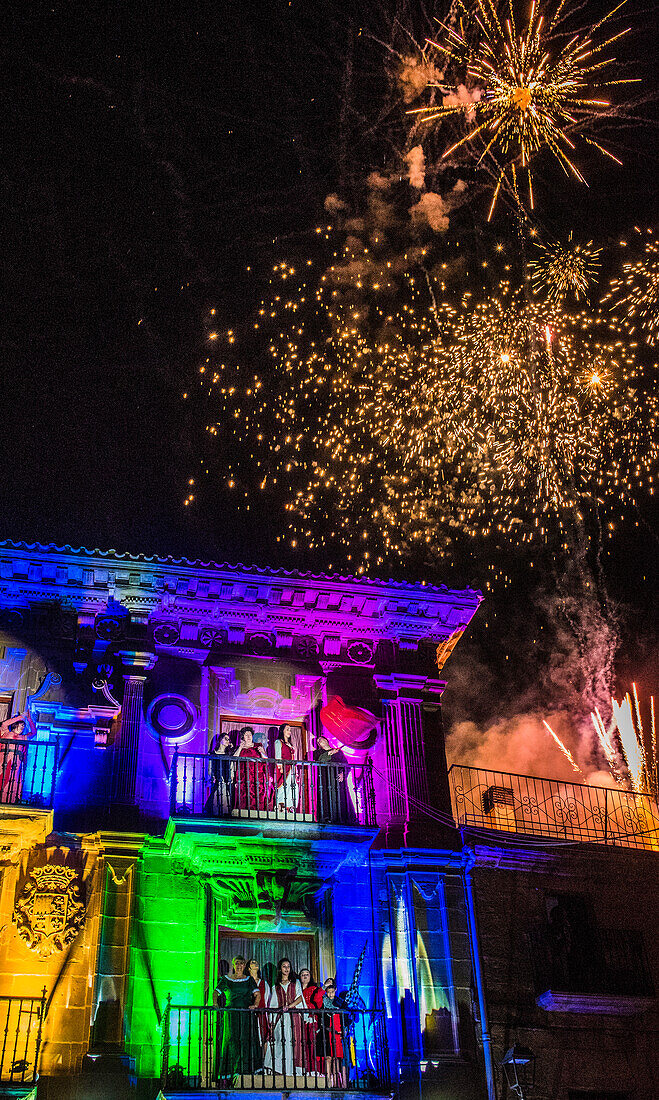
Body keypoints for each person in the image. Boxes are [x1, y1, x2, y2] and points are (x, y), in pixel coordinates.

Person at [214, 955, 261, 1083]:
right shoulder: (226, 979)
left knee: (245, 1040)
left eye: (241, 963)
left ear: (244, 965)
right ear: (233, 965)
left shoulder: (249, 980)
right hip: (231, 1015)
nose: (239, 965)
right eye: (237, 963)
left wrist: (255, 1005)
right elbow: (216, 993)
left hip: (246, 1015)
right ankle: (230, 1072)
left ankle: (244, 1071)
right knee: (231, 1041)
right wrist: (216, 1005)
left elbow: (257, 994)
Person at [263, 958, 304, 1077]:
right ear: (280, 969)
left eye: (288, 966)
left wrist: (289, 1006)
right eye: (284, 966)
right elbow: (273, 1004)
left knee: (292, 1042)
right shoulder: (275, 987)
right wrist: (272, 1020)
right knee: (280, 1041)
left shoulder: (295, 982)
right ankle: (279, 1068)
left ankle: (292, 1070)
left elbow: (300, 998)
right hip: (281, 1018)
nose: (286, 969)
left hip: (293, 1016)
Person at [313, 735, 355, 824]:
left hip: (338, 780)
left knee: (340, 797)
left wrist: (343, 774)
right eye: (318, 741)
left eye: (320, 739)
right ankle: (328, 817)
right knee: (327, 797)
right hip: (326, 779)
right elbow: (320, 760)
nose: (319, 742)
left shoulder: (338, 752)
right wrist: (330, 753)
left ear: (326, 741)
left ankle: (343, 818)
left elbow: (346, 764)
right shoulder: (317, 753)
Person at [316, 977, 346, 1087]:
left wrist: (344, 1029)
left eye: (332, 991)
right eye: (328, 991)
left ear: (336, 990)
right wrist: (323, 986)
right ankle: (328, 1081)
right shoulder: (323, 1000)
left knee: (336, 1058)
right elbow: (316, 998)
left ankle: (337, 1082)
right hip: (326, 1032)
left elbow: (345, 1017)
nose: (330, 994)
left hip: (337, 1032)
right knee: (328, 1057)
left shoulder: (340, 1002)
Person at [0, 712, 36, 804]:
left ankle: (9, 802)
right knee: (2, 778)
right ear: (15, 724)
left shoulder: (23, 737)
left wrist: (29, 719)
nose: (23, 727)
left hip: (16, 761)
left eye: (24, 725)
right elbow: (4, 724)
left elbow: (34, 733)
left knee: (13, 781)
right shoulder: (6, 732)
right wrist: (20, 717)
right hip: (3, 759)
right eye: (21, 724)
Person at [234, 727, 268, 813]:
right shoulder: (240, 748)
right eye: (246, 735)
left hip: (257, 776)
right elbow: (233, 759)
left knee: (257, 796)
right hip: (243, 776)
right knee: (244, 796)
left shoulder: (258, 745)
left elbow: (266, 759)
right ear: (243, 737)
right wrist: (240, 748)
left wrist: (262, 752)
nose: (249, 736)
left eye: (250, 734)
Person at [299, 967, 323, 1075]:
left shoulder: (314, 989)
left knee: (310, 1044)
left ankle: (311, 1069)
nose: (305, 976)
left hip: (310, 1019)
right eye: (303, 974)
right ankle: (300, 1068)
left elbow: (318, 1003)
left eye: (307, 974)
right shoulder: (297, 988)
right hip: (298, 1019)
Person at [204, 731, 234, 815]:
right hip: (216, 779)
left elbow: (231, 766)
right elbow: (210, 767)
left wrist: (231, 776)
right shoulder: (213, 753)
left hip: (226, 780)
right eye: (226, 739)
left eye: (229, 739)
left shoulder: (228, 754)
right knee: (216, 799)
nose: (228, 741)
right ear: (220, 740)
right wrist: (211, 775)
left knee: (225, 799)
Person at [274, 724, 299, 816]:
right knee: (283, 788)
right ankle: (281, 809)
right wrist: (280, 769)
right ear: (282, 731)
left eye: (290, 730)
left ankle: (290, 808)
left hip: (292, 769)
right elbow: (278, 757)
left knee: (293, 788)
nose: (289, 731)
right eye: (287, 729)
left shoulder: (290, 744)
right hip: (284, 769)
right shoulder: (278, 742)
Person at [247, 958, 270, 1050]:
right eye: (252, 962)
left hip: (261, 1013)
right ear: (248, 968)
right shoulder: (246, 981)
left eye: (256, 962)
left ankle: (263, 1062)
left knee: (264, 1037)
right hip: (249, 1013)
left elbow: (268, 998)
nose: (255, 963)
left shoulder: (264, 983)